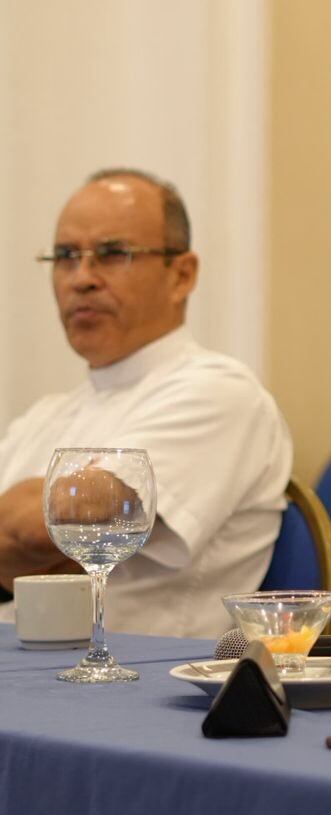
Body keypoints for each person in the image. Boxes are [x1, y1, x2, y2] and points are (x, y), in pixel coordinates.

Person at [0, 169, 292, 638]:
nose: (82, 279)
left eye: (113, 254)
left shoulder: (217, 391)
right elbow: (47, 532)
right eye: (66, 256)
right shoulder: (45, 414)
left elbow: (47, 525)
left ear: (182, 274)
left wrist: (36, 521)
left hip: (139, 689)